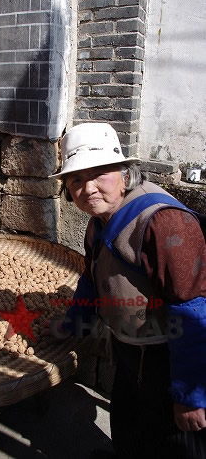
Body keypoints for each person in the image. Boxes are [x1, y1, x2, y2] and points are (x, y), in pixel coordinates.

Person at [50, 122, 206, 459]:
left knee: (173, 441)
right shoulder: (100, 220)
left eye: (100, 173)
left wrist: (190, 396)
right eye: (76, 180)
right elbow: (92, 279)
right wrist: (73, 323)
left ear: (124, 172)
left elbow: (192, 310)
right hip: (128, 349)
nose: (88, 188)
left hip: (168, 357)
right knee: (127, 423)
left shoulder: (163, 222)